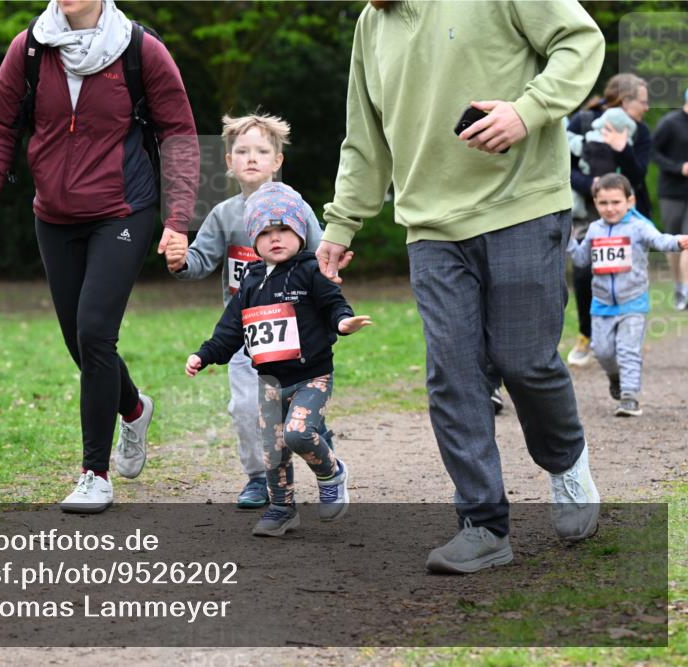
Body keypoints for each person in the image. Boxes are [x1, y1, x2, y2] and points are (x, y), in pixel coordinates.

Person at [317, 0, 605, 573]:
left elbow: (581, 42)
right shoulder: (371, 27)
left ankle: (566, 461)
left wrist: (529, 110)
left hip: (522, 205)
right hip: (431, 228)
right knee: (453, 372)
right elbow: (365, 136)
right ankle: (482, 525)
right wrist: (342, 221)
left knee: (525, 361)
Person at [0, 0, 199, 513]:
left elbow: (178, 135)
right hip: (53, 215)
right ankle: (133, 408)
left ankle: (95, 473)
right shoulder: (28, 49)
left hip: (123, 209)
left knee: (94, 331)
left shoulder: (141, 51)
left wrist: (177, 220)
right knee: (79, 341)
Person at [185, 182, 372, 536]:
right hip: (270, 382)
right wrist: (204, 355)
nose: (276, 238)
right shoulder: (250, 284)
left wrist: (344, 322)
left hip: (312, 376)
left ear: (301, 233)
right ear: (253, 239)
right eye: (266, 232)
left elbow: (334, 303)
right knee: (273, 452)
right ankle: (282, 508)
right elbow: (229, 331)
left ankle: (331, 473)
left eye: (285, 229)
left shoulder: (310, 270)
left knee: (299, 434)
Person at [165, 113, 323, 508]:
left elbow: (321, 256)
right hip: (246, 335)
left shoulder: (296, 206)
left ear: (278, 161)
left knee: (291, 411)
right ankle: (258, 478)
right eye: (242, 151)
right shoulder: (223, 215)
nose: (251, 158)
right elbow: (200, 260)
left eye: (261, 151)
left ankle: (319, 441)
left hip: (296, 334)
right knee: (245, 407)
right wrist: (181, 261)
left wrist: (332, 271)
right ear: (229, 162)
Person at [568, 173, 688, 417]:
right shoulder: (593, 230)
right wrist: (566, 239)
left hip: (633, 301)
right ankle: (615, 377)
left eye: (616, 202)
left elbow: (659, 240)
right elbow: (581, 259)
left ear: (629, 202)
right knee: (602, 352)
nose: (610, 209)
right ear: (595, 202)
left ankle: (629, 397)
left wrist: (678, 242)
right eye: (603, 203)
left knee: (627, 350)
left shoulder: (638, 226)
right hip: (601, 304)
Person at [566, 74, 653, 367]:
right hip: (588, 212)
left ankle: (625, 337)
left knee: (625, 274)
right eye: (643, 101)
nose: (647, 107)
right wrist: (591, 185)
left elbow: (638, 176)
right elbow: (564, 169)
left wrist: (622, 148)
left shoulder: (641, 133)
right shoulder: (582, 122)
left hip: (628, 214)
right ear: (625, 101)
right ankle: (586, 335)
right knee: (583, 272)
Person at [652, 88, 688, 311]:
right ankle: (678, 286)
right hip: (671, 192)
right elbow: (653, 153)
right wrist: (678, 168)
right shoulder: (670, 122)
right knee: (675, 243)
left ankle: (686, 290)